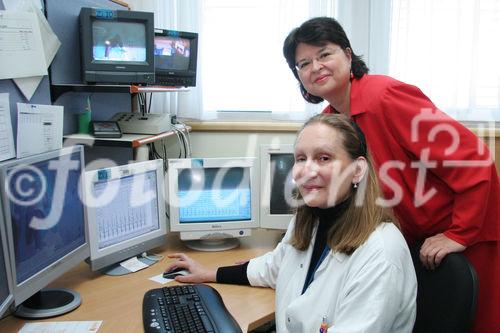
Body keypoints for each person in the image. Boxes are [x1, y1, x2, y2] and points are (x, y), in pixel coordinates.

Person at [282, 16, 500, 333]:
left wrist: (458, 234)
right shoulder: (329, 121)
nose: (315, 67)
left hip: (462, 231)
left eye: (324, 54)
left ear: (347, 53)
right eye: (304, 63)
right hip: (413, 240)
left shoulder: (386, 96)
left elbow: (474, 159)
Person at [165, 114, 417, 332]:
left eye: (324, 158)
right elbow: (274, 267)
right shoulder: (308, 220)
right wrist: (208, 273)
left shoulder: (381, 252)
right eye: (300, 158)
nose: (306, 170)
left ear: (358, 170)